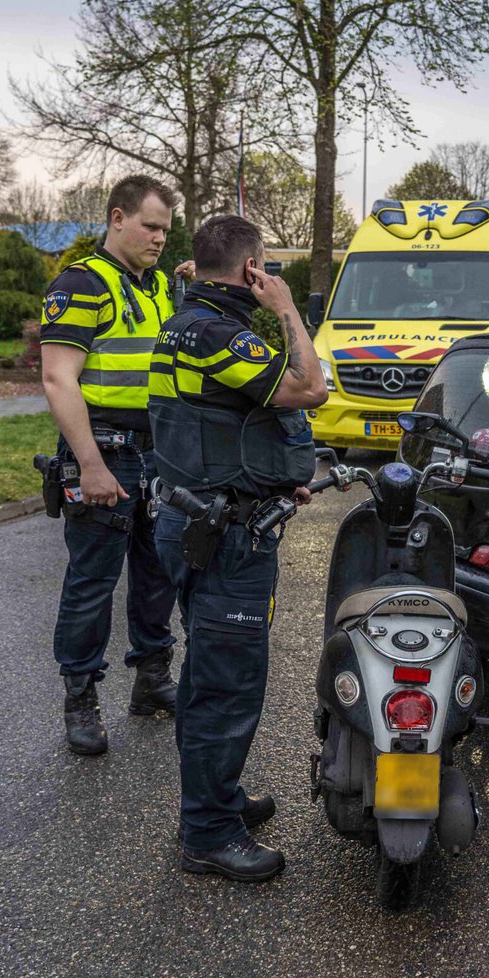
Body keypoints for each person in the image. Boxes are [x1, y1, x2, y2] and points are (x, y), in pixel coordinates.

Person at [148, 214, 327, 883]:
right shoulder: (216, 331)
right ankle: (208, 834)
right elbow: (309, 388)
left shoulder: (189, 323)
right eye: (267, 270)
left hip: (208, 517)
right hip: (226, 536)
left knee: (208, 675)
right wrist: (287, 310)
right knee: (227, 684)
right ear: (253, 268)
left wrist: (274, 476)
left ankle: (214, 803)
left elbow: (219, 422)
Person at [39, 174, 193, 755]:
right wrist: (90, 463)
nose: (159, 238)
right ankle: (80, 698)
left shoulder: (155, 285)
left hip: (158, 455)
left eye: (165, 230)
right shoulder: (81, 284)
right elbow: (58, 380)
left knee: (158, 574)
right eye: (151, 226)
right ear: (117, 217)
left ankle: (151, 680)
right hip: (105, 452)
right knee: (92, 582)